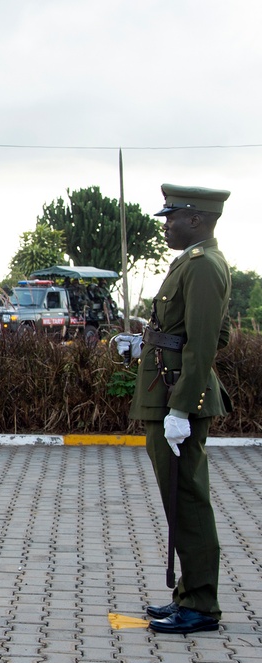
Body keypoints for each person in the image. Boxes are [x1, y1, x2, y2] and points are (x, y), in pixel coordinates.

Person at [130, 184, 232, 635]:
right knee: (180, 500)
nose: (166, 225)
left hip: (177, 397)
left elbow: (208, 344)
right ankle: (188, 597)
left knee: (187, 500)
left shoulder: (204, 266)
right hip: (167, 389)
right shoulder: (190, 263)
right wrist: (153, 341)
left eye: (172, 217)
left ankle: (201, 606)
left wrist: (183, 407)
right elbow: (210, 333)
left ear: (197, 218)